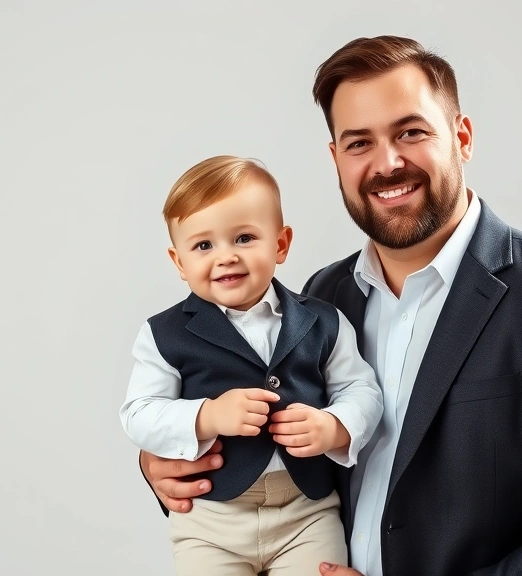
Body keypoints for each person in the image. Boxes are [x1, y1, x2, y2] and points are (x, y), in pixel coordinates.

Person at [140, 36, 522, 576]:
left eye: (410, 132)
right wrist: (169, 460)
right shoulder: (321, 299)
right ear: (336, 159)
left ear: (462, 137)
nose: (388, 164)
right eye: (359, 143)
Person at [120, 155, 383, 576]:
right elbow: (138, 414)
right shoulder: (162, 334)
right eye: (204, 245)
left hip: (307, 513)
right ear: (179, 262)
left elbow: (361, 389)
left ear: (280, 244)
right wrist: (207, 415)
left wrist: (335, 426)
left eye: (244, 238)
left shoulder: (324, 320)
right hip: (211, 523)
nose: (225, 257)